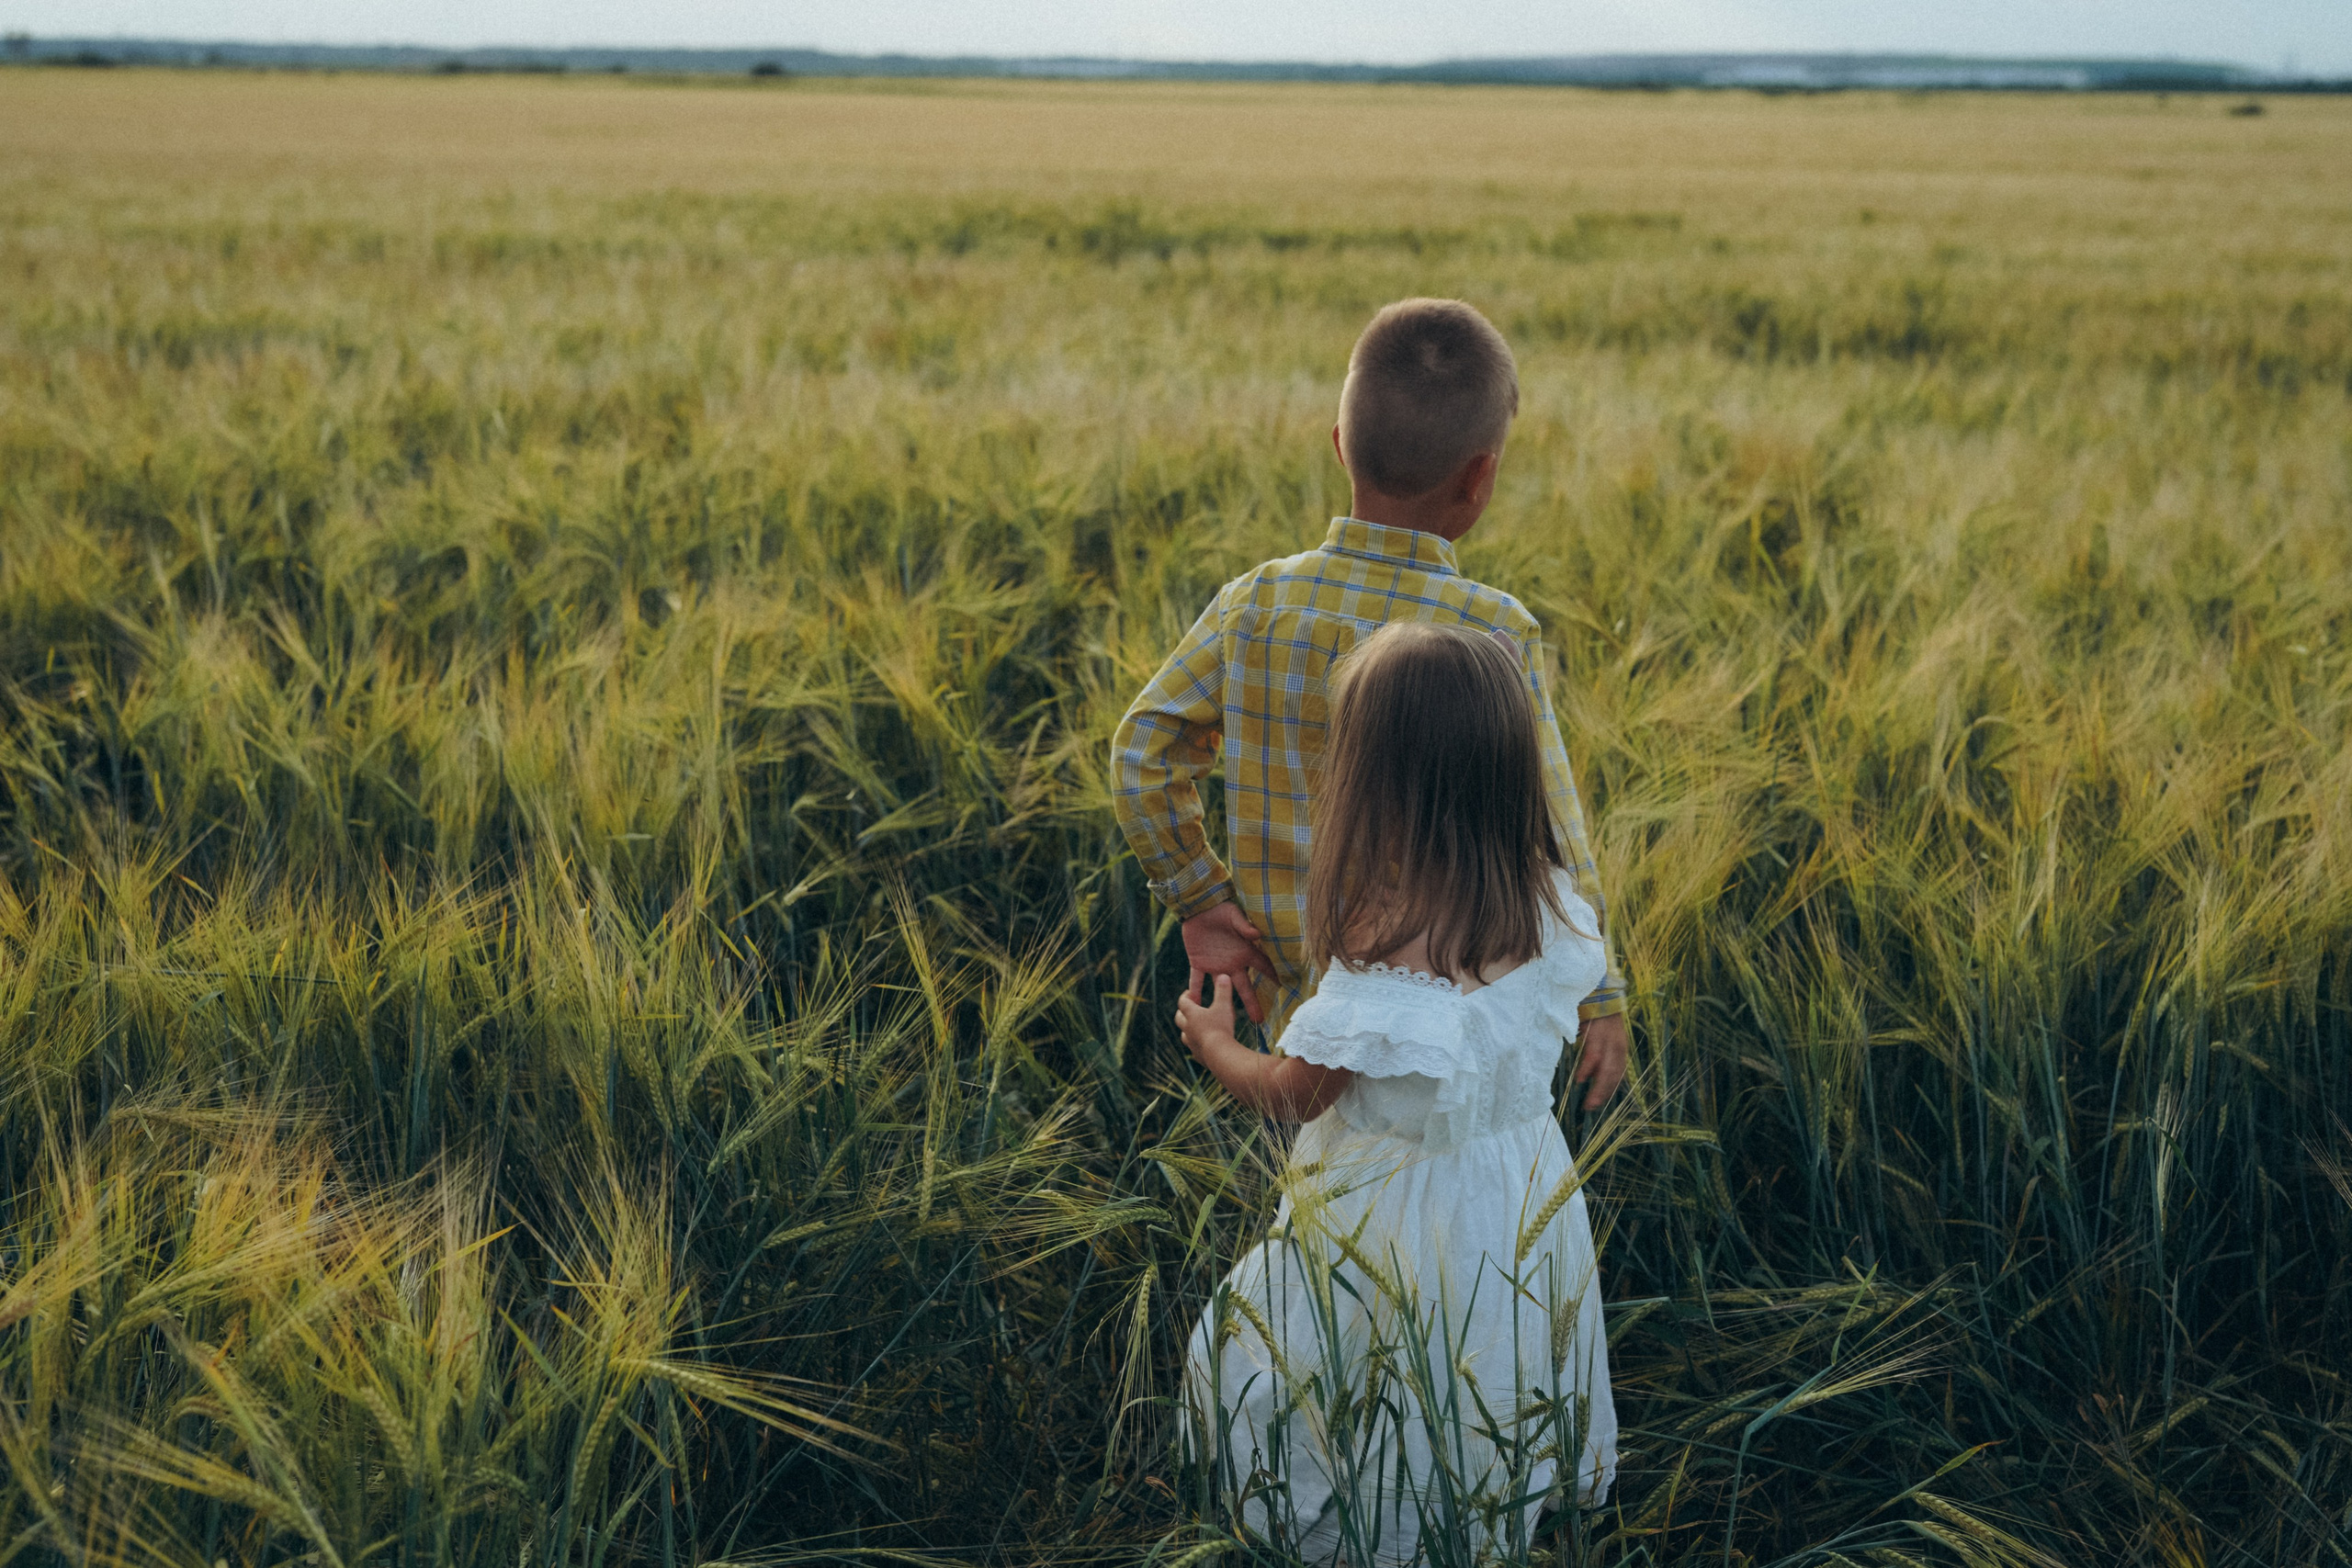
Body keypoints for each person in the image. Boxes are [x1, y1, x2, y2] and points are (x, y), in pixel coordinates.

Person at [1110, 295, 1629, 1110]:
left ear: (1339, 445)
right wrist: (1599, 991)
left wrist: (1200, 897)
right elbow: (1552, 829)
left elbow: (1141, 751)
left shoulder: (1255, 605)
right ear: (1481, 476)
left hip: (1292, 1012)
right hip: (1440, 1018)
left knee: (1315, 1171)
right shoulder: (1494, 633)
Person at [1173, 621, 1618, 1563]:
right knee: (1488, 1360)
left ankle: (1378, 1532)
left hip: (1389, 1221)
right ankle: (1490, 1504)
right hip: (1516, 1196)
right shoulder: (1550, 901)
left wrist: (1215, 1045)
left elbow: (1292, 1096)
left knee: (1364, 1376)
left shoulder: (1384, 948)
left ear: (1373, 779)